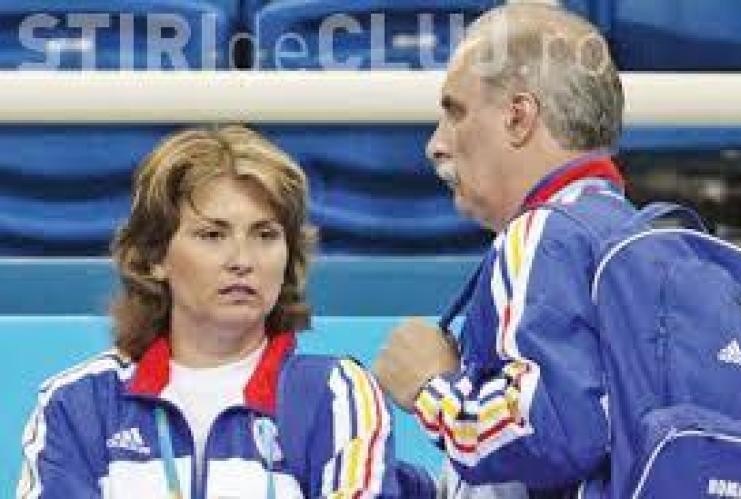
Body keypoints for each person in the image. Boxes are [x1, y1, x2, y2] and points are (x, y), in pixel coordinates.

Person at [17, 125, 403, 498]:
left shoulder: (336, 394)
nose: (242, 260)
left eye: (265, 235)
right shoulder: (78, 404)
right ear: (155, 257)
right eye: (213, 235)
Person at [374, 3, 634, 497]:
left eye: (455, 112)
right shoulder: (637, 237)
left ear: (518, 117)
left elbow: (551, 430)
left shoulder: (544, 234)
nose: (435, 145)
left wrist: (432, 389)